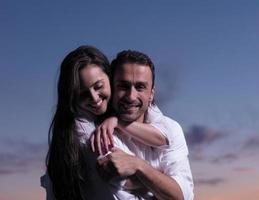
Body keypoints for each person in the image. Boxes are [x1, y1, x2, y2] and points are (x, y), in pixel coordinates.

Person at [42, 45, 172, 200]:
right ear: (72, 97)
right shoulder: (85, 131)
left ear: (110, 78)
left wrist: (118, 122)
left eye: (98, 86)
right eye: (83, 93)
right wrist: (162, 179)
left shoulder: (125, 109)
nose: (95, 98)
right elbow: (119, 176)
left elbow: (164, 137)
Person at [96, 50, 194, 200]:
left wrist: (138, 166)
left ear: (151, 94)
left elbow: (182, 195)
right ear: (112, 88)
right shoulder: (103, 136)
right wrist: (162, 180)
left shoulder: (171, 129)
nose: (131, 96)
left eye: (140, 87)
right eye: (123, 86)